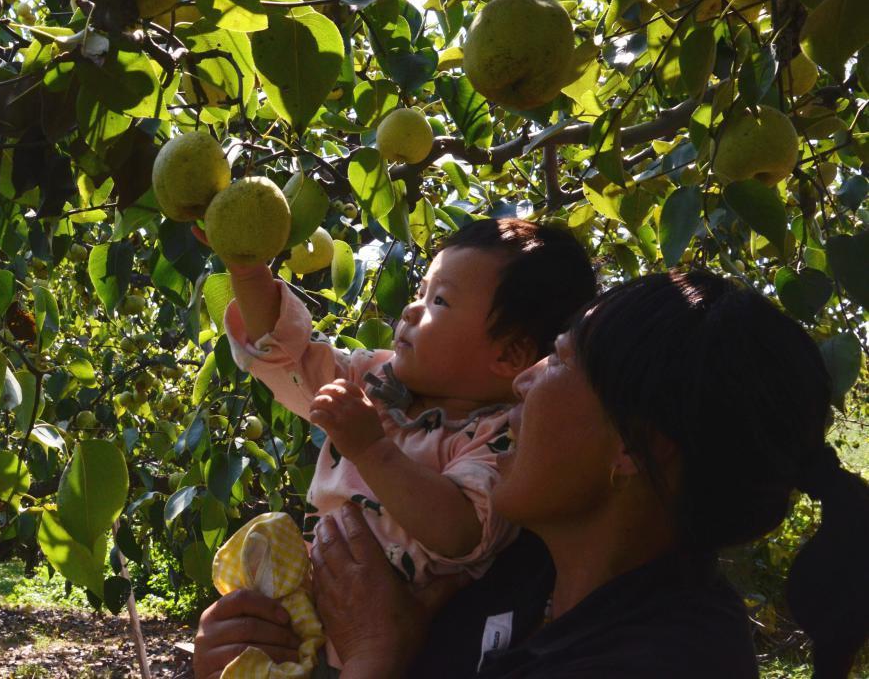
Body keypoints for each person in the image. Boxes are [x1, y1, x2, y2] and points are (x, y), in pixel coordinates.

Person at [194, 271, 869, 678]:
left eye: (556, 361)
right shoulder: (505, 575)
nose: (520, 380)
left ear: (634, 448)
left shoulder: (665, 661)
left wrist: (374, 659)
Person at [209, 217, 596, 665]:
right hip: (310, 611)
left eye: (440, 301)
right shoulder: (373, 380)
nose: (412, 310)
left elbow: (462, 530)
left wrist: (373, 450)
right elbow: (286, 355)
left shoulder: (502, 436)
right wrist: (248, 272)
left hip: (390, 644)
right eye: (419, 293)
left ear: (510, 355)